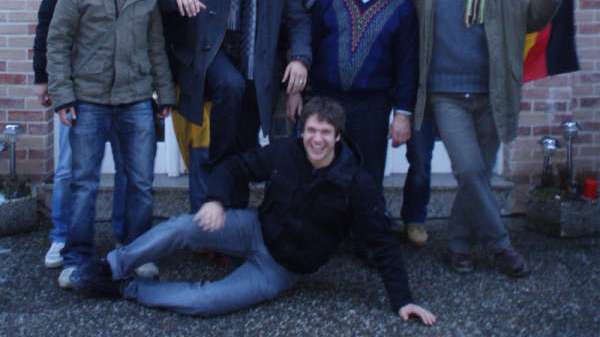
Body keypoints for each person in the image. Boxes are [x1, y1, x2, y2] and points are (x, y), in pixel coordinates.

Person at [72, 97, 436, 326]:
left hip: (279, 268)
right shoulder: (284, 152)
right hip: (254, 229)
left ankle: (130, 290)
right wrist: (215, 200)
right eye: (311, 130)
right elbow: (234, 168)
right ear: (302, 131)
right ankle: (111, 267)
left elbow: (383, 245)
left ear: (338, 136)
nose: (317, 139)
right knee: (183, 226)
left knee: (206, 302)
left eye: (325, 132)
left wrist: (403, 301)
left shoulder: (356, 183)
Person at [403, 0, 563, 277]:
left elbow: (534, 18)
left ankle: (459, 245)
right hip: (445, 93)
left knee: (479, 175)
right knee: (469, 169)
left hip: (492, 94)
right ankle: (500, 245)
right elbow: (392, 0)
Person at [47, 0, 176, 288]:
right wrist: (62, 95)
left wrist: (164, 93)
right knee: (84, 183)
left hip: (135, 98)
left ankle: (134, 253)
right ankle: (76, 258)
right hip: (88, 99)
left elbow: (155, 46)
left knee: (139, 181)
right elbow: (58, 43)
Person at [158, 0, 311, 203]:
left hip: (258, 65)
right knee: (230, 85)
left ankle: (235, 216)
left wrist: (299, 59)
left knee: (246, 147)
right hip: (216, 54)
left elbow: (299, 22)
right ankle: (218, 164)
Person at [32, 0, 128, 269]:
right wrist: (43, 77)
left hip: (123, 89)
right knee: (72, 168)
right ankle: (61, 237)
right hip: (79, 87)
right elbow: (48, 24)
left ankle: (125, 237)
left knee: (128, 169)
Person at [310, 0, 418, 193]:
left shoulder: (402, 4)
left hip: (373, 106)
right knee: (323, 171)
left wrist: (402, 113)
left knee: (367, 177)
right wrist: (302, 96)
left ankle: (365, 231)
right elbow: (310, 46)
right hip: (327, 101)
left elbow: (408, 63)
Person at [155, 0, 214, 211]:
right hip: (184, 80)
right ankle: (204, 228)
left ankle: (217, 230)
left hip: (220, 79)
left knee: (214, 154)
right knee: (194, 155)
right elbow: (160, 32)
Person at [383, 0, 437, 248]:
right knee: (369, 154)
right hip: (377, 76)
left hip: (417, 78)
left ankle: (414, 217)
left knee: (420, 154)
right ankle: (372, 216)